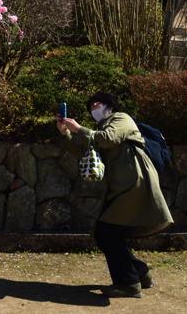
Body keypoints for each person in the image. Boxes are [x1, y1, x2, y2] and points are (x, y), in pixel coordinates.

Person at [57, 92, 173, 299]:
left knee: (105, 231)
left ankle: (129, 283)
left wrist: (78, 128)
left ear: (110, 105)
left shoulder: (122, 119)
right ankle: (141, 274)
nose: (94, 108)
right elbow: (84, 150)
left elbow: (109, 139)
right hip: (121, 186)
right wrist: (65, 133)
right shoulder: (99, 129)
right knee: (108, 232)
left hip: (135, 182)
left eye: (97, 104)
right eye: (91, 106)